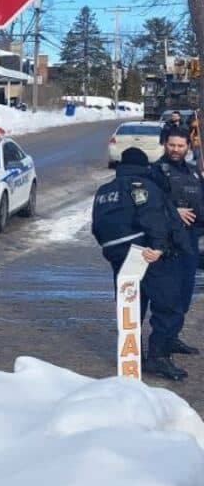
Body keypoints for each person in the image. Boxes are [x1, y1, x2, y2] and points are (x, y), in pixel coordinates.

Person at [91, 147, 194, 381]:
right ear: (143, 166)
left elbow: (97, 227)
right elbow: (153, 218)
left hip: (119, 256)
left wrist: (115, 251)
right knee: (169, 306)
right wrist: (158, 247)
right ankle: (158, 357)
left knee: (131, 306)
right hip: (148, 253)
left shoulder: (104, 191)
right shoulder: (142, 186)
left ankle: (132, 354)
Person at [149, 129, 203, 325]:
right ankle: (162, 343)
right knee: (167, 296)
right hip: (168, 242)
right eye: (172, 145)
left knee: (184, 292)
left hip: (191, 240)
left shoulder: (195, 172)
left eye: (180, 146)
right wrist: (174, 212)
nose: (175, 149)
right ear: (165, 144)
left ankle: (172, 336)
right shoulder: (155, 171)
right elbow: (149, 204)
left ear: (188, 147)